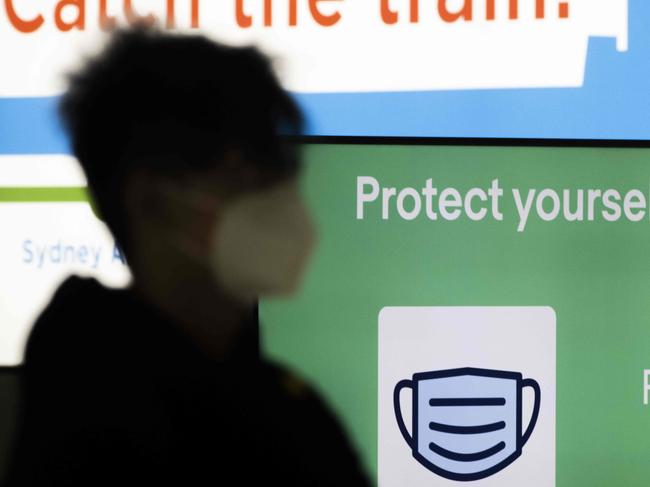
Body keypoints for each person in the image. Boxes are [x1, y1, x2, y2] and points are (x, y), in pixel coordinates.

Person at [5, 27, 373, 486]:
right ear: (150, 200)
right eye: (243, 174)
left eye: (278, 175)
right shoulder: (91, 381)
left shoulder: (286, 405)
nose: (278, 203)